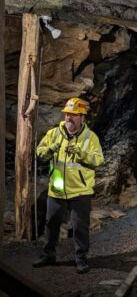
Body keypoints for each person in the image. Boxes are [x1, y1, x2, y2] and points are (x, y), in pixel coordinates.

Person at [33, 97, 104, 273]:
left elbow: (98, 160)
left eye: (73, 115)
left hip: (80, 191)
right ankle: (48, 254)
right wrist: (50, 150)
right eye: (66, 114)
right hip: (56, 189)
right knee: (51, 223)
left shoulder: (90, 137)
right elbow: (40, 153)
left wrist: (81, 153)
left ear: (82, 117)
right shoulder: (53, 134)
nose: (68, 118)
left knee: (80, 227)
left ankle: (81, 258)